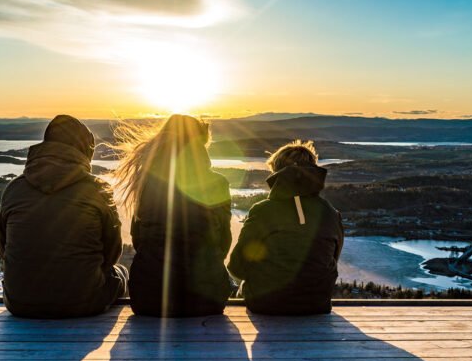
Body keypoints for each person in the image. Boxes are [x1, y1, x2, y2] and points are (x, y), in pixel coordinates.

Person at [0, 115, 126, 318]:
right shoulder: (97, 189)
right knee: (121, 273)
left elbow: (2, 246)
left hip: (20, 303)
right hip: (85, 302)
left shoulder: (15, 188)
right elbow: (113, 250)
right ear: (85, 151)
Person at [113, 114, 231, 317]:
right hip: (206, 300)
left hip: (150, 300)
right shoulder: (218, 183)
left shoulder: (146, 182)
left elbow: (139, 239)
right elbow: (223, 242)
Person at [228, 140, 344, 315]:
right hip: (316, 305)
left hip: (266, 304)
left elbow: (237, 266)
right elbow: (332, 258)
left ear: (277, 174)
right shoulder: (331, 213)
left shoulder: (263, 211)